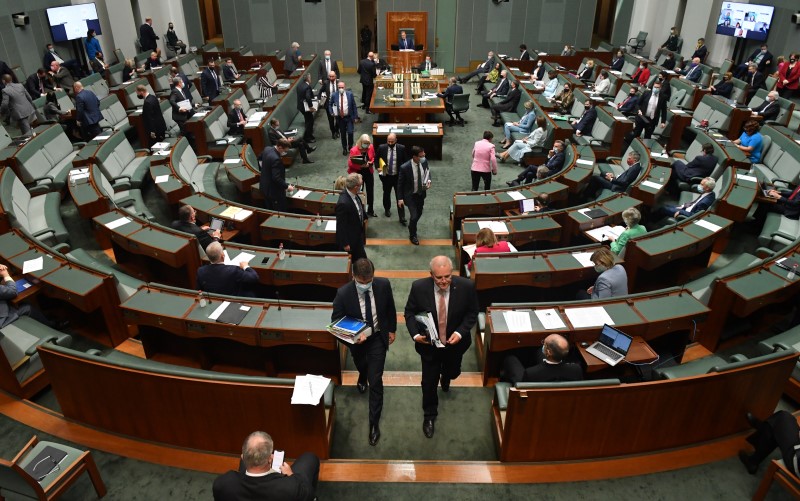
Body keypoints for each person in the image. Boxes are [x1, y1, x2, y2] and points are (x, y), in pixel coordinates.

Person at [405, 256, 478, 438]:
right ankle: (429, 414)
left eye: (448, 276)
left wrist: (461, 332)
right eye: (439, 278)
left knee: (452, 372)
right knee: (429, 383)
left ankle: (446, 377)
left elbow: (472, 312)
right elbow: (409, 312)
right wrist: (415, 335)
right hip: (430, 347)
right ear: (431, 275)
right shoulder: (419, 287)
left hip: (455, 345)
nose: (444, 281)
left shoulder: (466, 286)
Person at [331, 258, 395, 446]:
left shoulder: (383, 285)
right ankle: (361, 375)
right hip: (357, 342)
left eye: (369, 281)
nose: (366, 285)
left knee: (375, 381)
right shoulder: (343, 294)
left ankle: (373, 424)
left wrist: (391, 329)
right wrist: (353, 338)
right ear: (354, 277)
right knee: (362, 366)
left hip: (377, 339)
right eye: (362, 282)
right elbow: (336, 324)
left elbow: (390, 308)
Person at [212, 431, 319, 501]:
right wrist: (291, 475)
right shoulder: (290, 486)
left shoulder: (223, 483)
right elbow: (308, 495)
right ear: (270, 458)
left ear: (243, 457)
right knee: (310, 458)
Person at [0, 263, 65, 329]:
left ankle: (43, 317)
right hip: (2, 320)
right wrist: (6, 275)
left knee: (26, 302)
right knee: (27, 307)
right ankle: (52, 326)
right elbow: (13, 291)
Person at [501, 333, 583, 385]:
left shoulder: (531, 373)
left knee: (510, 359)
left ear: (548, 352)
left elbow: (522, 389)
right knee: (538, 352)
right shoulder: (576, 369)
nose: (543, 345)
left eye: (544, 343)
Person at [738, 411, 800, 476]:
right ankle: (753, 460)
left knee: (782, 417)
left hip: (797, 461)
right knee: (779, 425)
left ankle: (761, 427)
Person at [397, 146, 431, 245]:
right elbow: (400, 184)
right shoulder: (405, 167)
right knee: (414, 215)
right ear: (414, 157)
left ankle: (411, 225)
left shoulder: (424, 162)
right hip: (410, 196)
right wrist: (400, 198)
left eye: (424, 155)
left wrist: (428, 180)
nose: (423, 157)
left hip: (421, 194)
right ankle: (413, 235)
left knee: (419, 212)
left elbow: (427, 172)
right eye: (421, 156)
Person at [651, 177, 716, 222]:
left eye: (702, 184)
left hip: (686, 213)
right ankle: (655, 218)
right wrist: (684, 205)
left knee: (663, 208)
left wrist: (681, 212)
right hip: (687, 208)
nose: (699, 185)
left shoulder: (704, 202)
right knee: (667, 205)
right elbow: (695, 202)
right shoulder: (711, 193)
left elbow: (695, 216)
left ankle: (650, 220)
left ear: (707, 188)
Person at [336, 173, 368, 262]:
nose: (361, 187)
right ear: (356, 187)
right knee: (358, 263)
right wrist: (345, 244)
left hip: (357, 236)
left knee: (361, 262)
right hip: (350, 241)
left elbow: (358, 207)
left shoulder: (353, 194)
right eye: (361, 185)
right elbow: (340, 226)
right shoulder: (343, 203)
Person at [376, 133, 408, 222]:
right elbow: (376, 158)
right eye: (388, 141)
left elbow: (406, 161)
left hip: (398, 177)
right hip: (386, 176)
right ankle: (387, 209)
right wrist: (377, 167)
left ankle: (402, 216)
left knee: (399, 196)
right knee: (386, 193)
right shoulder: (382, 147)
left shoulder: (401, 148)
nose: (390, 143)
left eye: (392, 141)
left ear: (396, 140)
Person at [260, 139, 294, 212]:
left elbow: (259, 157)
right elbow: (276, 178)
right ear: (280, 147)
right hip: (274, 191)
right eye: (285, 151)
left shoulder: (267, 149)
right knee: (279, 211)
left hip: (264, 186)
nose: (285, 153)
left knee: (270, 209)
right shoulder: (276, 159)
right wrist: (287, 186)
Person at [348, 134, 377, 217]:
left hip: (368, 172)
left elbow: (373, 157)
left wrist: (370, 162)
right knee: (358, 192)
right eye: (365, 143)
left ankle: (370, 210)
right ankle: (360, 210)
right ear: (361, 142)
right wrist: (361, 166)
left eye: (368, 143)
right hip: (358, 173)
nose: (366, 146)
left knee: (370, 191)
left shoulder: (370, 147)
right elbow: (350, 163)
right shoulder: (354, 150)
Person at [328, 81, 359, 155]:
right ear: (337, 88)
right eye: (339, 87)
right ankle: (344, 148)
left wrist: (356, 116)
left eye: (342, 87)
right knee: (343, 134)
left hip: (349, 117)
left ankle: (350, 146)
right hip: (340, 118)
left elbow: (354, 105)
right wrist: (331, 112)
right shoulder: (334, 95)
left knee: (350, 132)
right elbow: (330, 104)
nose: (341, 89)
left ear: (344, 87)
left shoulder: (349, 94)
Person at [294, 73, 315, 143]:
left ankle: (309, 135)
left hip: (300, 107)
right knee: (310, 121)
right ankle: (308, 137)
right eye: (310, 78)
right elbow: (308, 97)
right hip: (305, 107)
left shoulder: (299, 85)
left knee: (308, 120)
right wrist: (311, 106)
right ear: (308, 79)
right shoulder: (307, 87)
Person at [318, 70, 340, 139]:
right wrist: (319, 99)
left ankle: (337, 130)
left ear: (335, 76)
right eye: (330, 76)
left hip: (337, 104)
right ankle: (333, 132)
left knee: (338, 119)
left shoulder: (339, 83)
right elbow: (320, 91)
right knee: (331, 120)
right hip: (329, 105)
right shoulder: (326, 83)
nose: (331, 78)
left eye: (332, 76)